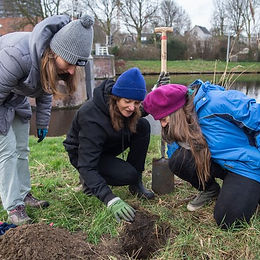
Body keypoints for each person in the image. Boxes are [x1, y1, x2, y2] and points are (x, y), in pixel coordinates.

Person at [0, 14, 94, 225]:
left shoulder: (47, 61)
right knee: (7, 151)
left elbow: (44, 91)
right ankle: (14, 206)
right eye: (70, 64)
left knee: (22, 150)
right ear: (55, 53)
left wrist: (42, 124)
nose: (71, 71)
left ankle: (24, 195)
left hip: (15, 96)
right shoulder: (17, 56)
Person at [143, 79, 260, 229]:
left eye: (164, 119)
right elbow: (177, 157)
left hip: (248, 166)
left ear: (175, 112)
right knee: (178, 160)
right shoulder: (180, 123)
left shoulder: (219, 102)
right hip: (222, 164)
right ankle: (210, 190)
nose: (163, 124)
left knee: (230, 221)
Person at [63, 67, 154, 223]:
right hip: (83, 155)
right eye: (127, 101)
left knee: (143, 125)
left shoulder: (129, 107)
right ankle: (89, 183)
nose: (132, 107)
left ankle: (135, 184)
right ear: (116, 97)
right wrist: (110, 199)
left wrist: (162, 95)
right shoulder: (91, 117)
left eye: (136, 102)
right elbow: (86, 165)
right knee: (126, 175)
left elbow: (144, 109)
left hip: (106, 144)